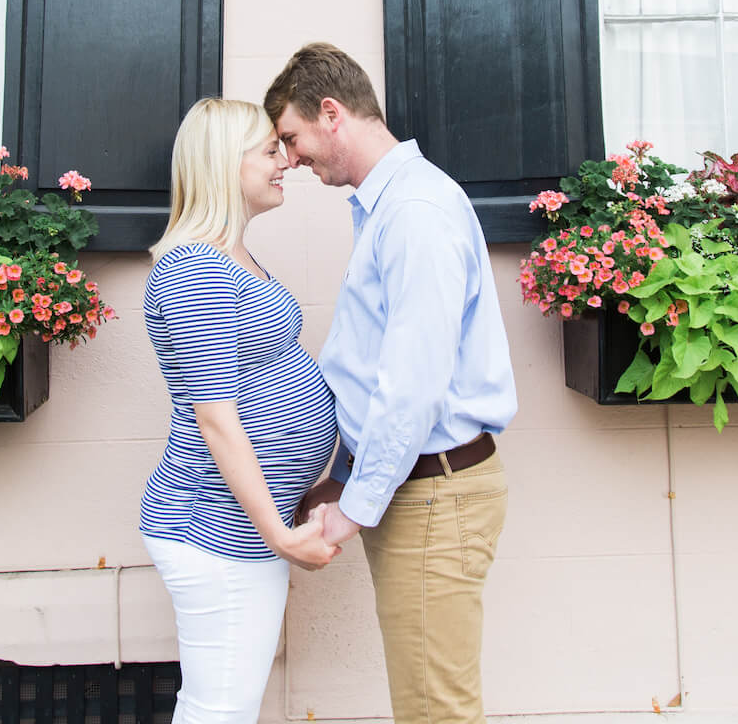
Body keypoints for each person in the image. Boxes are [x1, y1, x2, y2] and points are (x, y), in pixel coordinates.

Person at [264, 43, 518, 724]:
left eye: (292, 138)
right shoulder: (391, 208)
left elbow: (413, 384)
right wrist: (344, 479)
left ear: (331, 113)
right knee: (427, 705)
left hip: (436, 494)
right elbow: (380, 371)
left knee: (436, 712)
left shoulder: (413, 214)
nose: (290, 158)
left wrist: (354, 506)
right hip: (420, 489)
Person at [139, 97, 342, 724]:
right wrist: (278, 534)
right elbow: (215, 417)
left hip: (243, 529)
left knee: (225, 705)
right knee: (219, 710)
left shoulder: (232, 257)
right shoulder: (193, 268)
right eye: (268, 150)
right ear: (226, 165)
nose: (284, 161)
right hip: (216, 529)